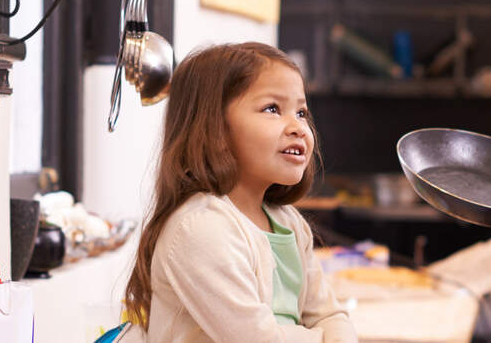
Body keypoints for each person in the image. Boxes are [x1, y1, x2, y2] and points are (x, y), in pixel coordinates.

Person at [119, 43, 356, 342]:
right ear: (215, 130)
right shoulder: (200, 228)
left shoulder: (290, 224)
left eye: (301, 112)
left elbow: (330, 315)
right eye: (272, 109)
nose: (297, 127)